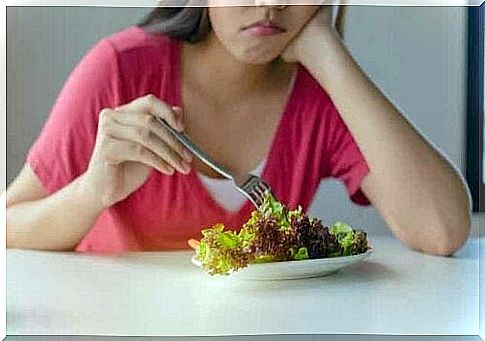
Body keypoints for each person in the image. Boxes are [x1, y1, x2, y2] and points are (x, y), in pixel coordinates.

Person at [6, 2, 471, 255]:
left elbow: (442, 231)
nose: (270, 5)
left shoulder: (320, 96)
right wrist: (92, 192)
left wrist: (327, 50)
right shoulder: (119, 71)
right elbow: (7, 225)